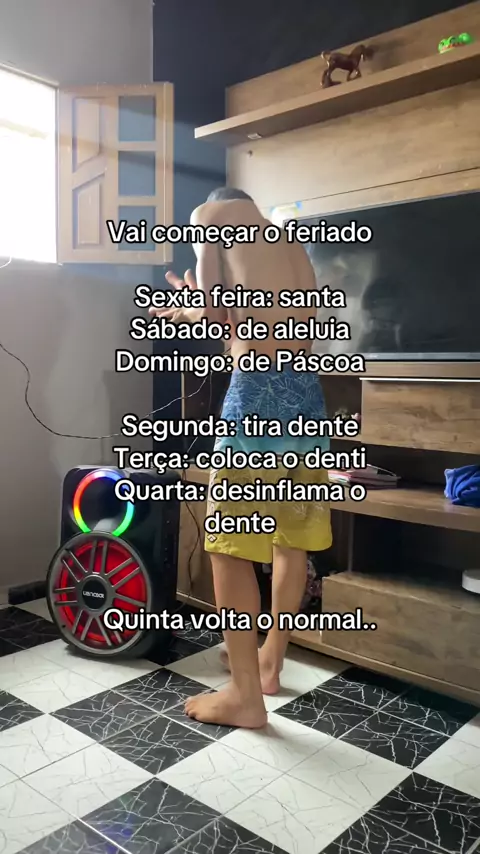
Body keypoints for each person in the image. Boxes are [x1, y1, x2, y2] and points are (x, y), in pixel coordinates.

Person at [150, 188, 332, 728]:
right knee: (289, 537)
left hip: (257, 396)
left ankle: (245, 697)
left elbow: (213, 318)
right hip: (306, 397)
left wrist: (186, 308)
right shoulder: (291, 244)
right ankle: (270, 660)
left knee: (227, 543)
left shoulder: (211, 213)